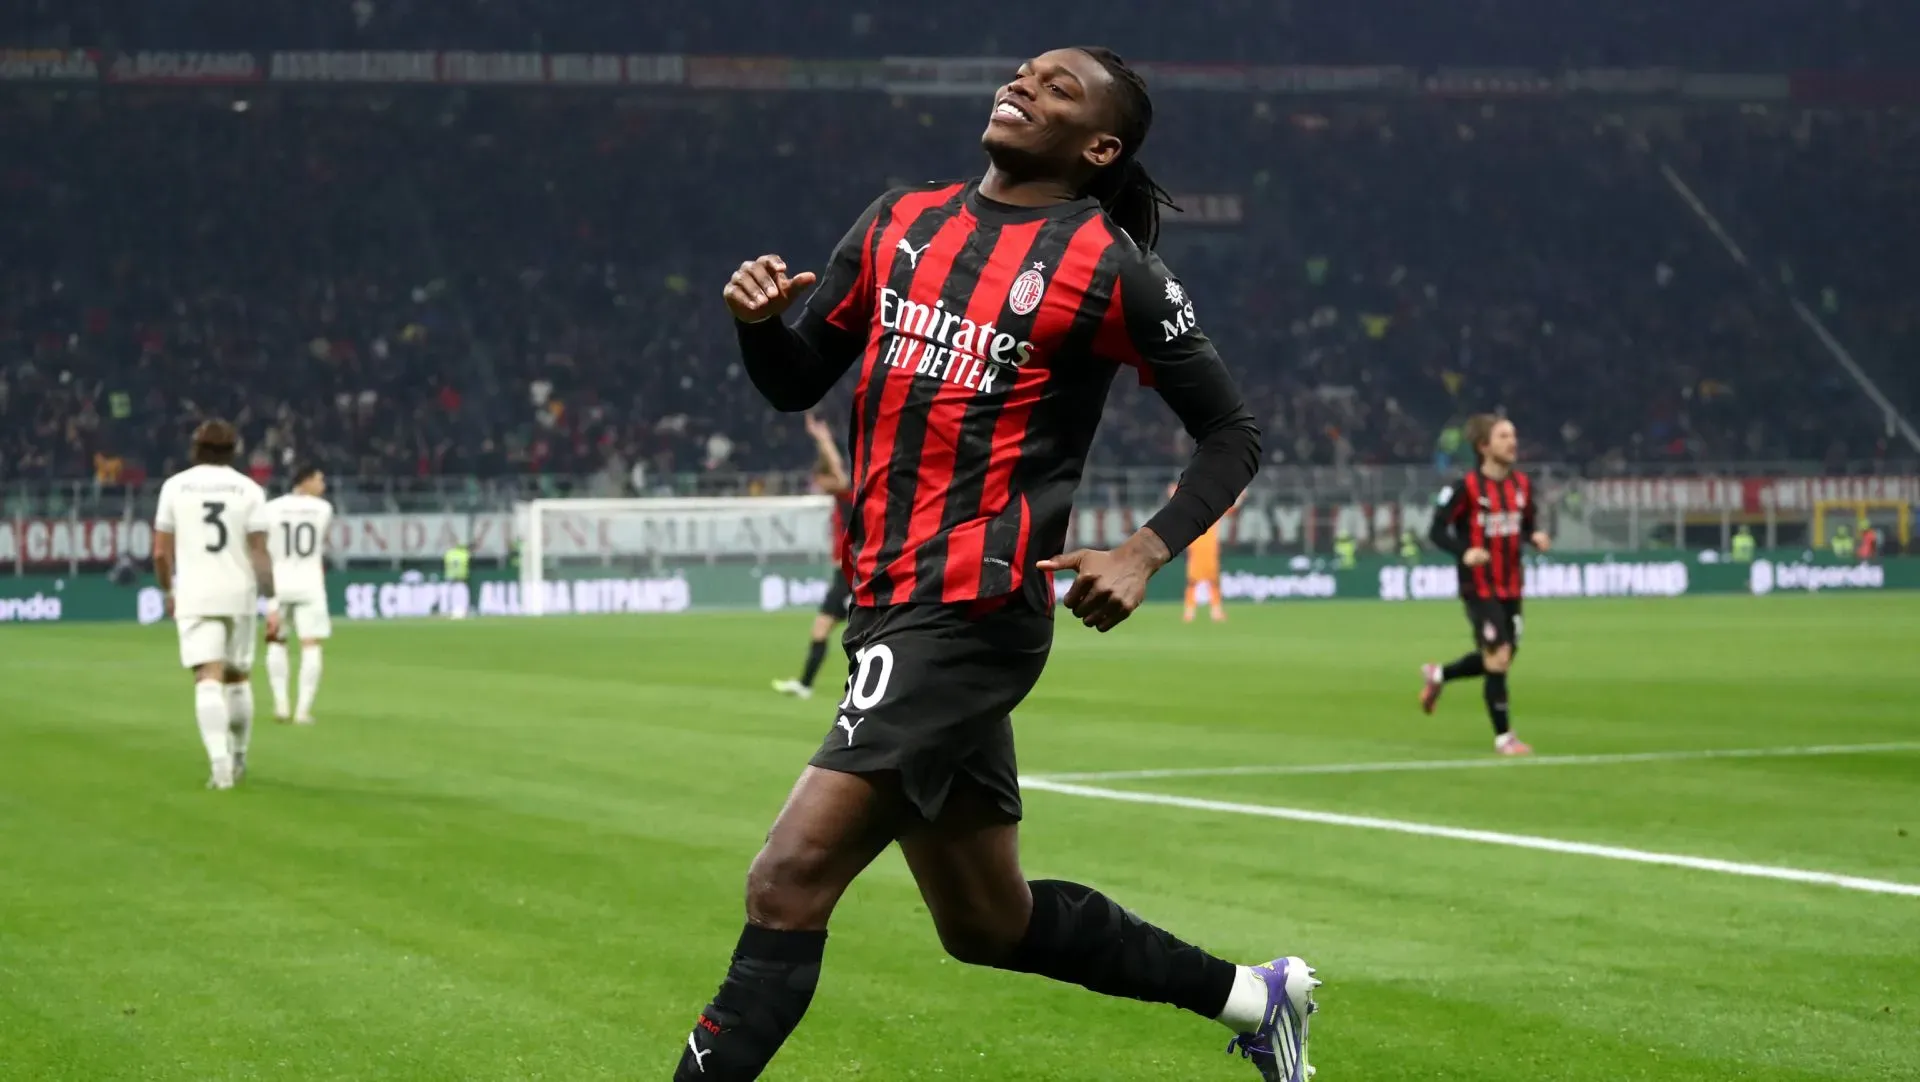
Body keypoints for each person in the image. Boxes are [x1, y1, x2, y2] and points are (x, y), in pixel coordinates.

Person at [683, 46, 1316, 1082]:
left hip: (970, 611)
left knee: (786, 879)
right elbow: (797, 380)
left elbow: (1232, 432)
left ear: (1099, 147)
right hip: (887, 605)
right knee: (986, 920)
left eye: (1058, 87)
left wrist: (1145, 548)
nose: (1023, 84)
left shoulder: (1113, 268)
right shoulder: (897, 221)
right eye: (1024, 72)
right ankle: (1258, 995)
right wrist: (759, 329)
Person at [152, 419, 279, 789]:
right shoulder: (250, 489)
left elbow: (160, 552)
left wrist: (168, 590)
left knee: (207, 677)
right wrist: (272, 601)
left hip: (196, 594)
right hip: (240, 594)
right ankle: (239, 757)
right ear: (233, 450)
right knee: (238, 677)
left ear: (196, 448)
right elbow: (260, 553)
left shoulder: (175, 487)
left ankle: (219, 767)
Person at [1419, 414, 1550, 755]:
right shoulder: (1465, 488)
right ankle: (1504, 738)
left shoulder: (1522, 486)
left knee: (1500, 657)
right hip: (1479, 586)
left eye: (1513, 435)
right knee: (1499, 656)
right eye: (1503, 436)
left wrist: (1534, 535)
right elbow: (1436, 531)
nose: (1512, 442)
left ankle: (1439, 675)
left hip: (1512, 585)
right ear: (1483, 446)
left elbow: (1526, 523)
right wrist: (1465, 552)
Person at [774, 413, 856, 699]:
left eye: (821, 479)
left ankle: (865, 685)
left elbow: (838, 470)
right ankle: (805, 685)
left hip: (850, 575)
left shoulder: (847, 495)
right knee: (822, 629)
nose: (819, 484)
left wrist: (823, 438)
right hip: (843, 575)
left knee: (856, 631)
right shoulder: (840, 499)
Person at [264, 466, 334, 725]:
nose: (323, 485)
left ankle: (281, 705)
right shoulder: (323, 509)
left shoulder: (271, 508)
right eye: (319, 480)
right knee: (311, 644)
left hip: (279, 582)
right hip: (310, 583)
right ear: (305, 481)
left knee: (276, 641)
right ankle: (302, 711)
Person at [1177, 481, 1226, 623]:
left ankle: (1216, 611)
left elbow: (1231, 506)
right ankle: (1189, 611)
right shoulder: (1192, 510)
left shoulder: (1215, 510)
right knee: (1192, 582)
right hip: (1196, 551)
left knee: (1214, 582)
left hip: (1210, 552)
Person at [443, 539, 471, 619]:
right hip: (461, 579)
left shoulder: (448, 554)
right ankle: (463, 611)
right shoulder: (464, 554)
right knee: (462, 597)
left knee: (452, 597)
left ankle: (452, 611)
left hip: (451, 579)